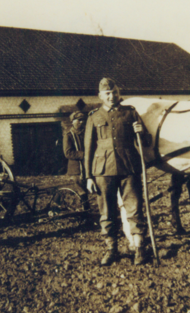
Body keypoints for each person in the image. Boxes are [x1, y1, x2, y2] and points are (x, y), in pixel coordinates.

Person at [84, 78, 151, 266]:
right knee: (107, 211)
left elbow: (146, 142)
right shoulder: (94, 117)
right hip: (103, 171)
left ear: (118, 94)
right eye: (107, 93)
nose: (111, 96)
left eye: (114, 93)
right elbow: (88, 149)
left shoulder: (130, 113)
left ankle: (139, 248)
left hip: (129, 168)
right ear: (100, 96)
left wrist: (142, 132)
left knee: (135, 207)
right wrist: (88, 177)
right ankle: (111, 249)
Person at [63, 111, 89, 210]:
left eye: (83, 120)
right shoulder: (69, 135)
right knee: (82, 191)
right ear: (73, 121)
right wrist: (85, 154)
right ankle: (86, 212)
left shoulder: (86, 134)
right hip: (76, 169)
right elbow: (68, 153)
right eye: (79, 120)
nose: (81, 122)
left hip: (88, 166)